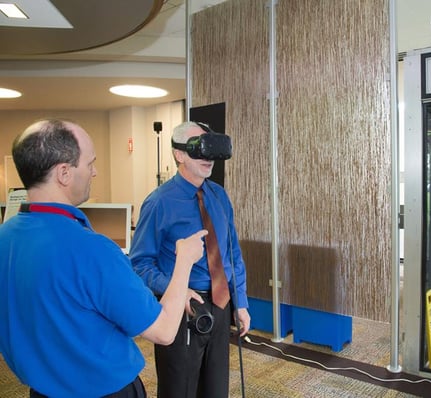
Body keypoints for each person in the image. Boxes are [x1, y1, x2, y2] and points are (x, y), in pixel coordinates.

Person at [0, 119, 208, 398]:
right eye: (89, 164)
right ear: (64, 173)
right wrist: (184, 260)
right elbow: (164, 331)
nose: (94, 172)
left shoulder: (7, 235)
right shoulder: (92, 250)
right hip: (106, 390)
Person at [130, 121, 251, 398]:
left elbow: (233, 253)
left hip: (221, 304)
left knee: (216, 388)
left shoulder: (219, 196)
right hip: (182, 309)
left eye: (211, 150)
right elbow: (139, 264)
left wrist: (240, 302)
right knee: (180, 389)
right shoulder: (159, 202)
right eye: (199, 150)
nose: (208, 158)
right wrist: (176, 291)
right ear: (179, 154)